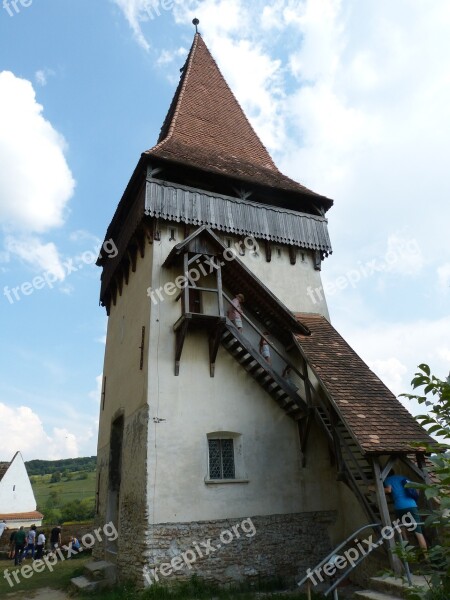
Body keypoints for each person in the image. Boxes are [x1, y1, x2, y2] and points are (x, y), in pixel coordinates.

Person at [384, 471, 428, 551]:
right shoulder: (403, 477)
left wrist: (374, 488)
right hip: (412, 505)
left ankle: (405, 541)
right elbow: (416, 489)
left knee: (400, 526)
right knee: (419, 533)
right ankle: (427, 558)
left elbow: (388, 490)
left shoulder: (387, 479)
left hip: (399, 507)